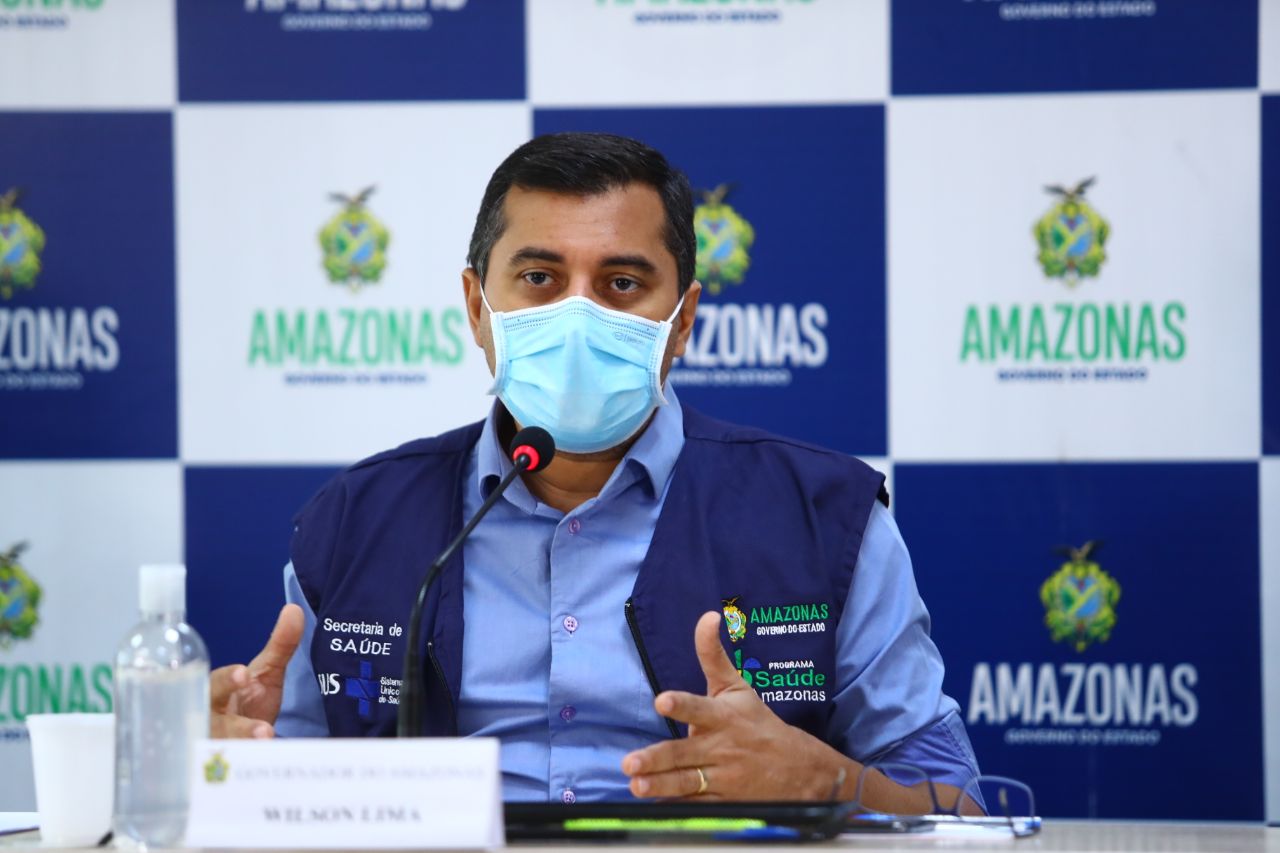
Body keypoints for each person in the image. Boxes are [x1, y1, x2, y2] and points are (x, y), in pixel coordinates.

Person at [209, 132, 980, 809]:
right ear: (477, 306)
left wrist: (830, 782)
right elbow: (277, 795)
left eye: (622, 284)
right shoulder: (357, 520)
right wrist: (229, 770)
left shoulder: (825, 517)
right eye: (539, 278)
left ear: (683, 321)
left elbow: (962, 807)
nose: (578, 318)